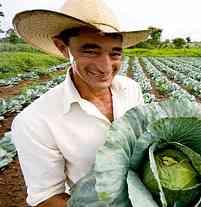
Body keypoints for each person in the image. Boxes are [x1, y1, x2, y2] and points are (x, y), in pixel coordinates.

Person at [10, 0, 149, 206]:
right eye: (90, 51)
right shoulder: (34, 121)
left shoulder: (131, 90)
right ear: (62, 47)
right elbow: (46, 198)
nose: (105, 67)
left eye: (115, 53)